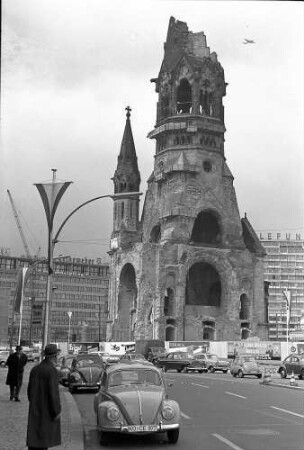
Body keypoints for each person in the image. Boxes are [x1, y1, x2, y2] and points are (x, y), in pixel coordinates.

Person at [26, 344, 61, 450]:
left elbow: (29, 392)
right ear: (54, 356)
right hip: (47, 412)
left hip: (35, 409)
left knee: (35, 440)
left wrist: (34, 402)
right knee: (44, 441)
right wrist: (56, 411)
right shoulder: (52, 371)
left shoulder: (35, 369)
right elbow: (54, 394)